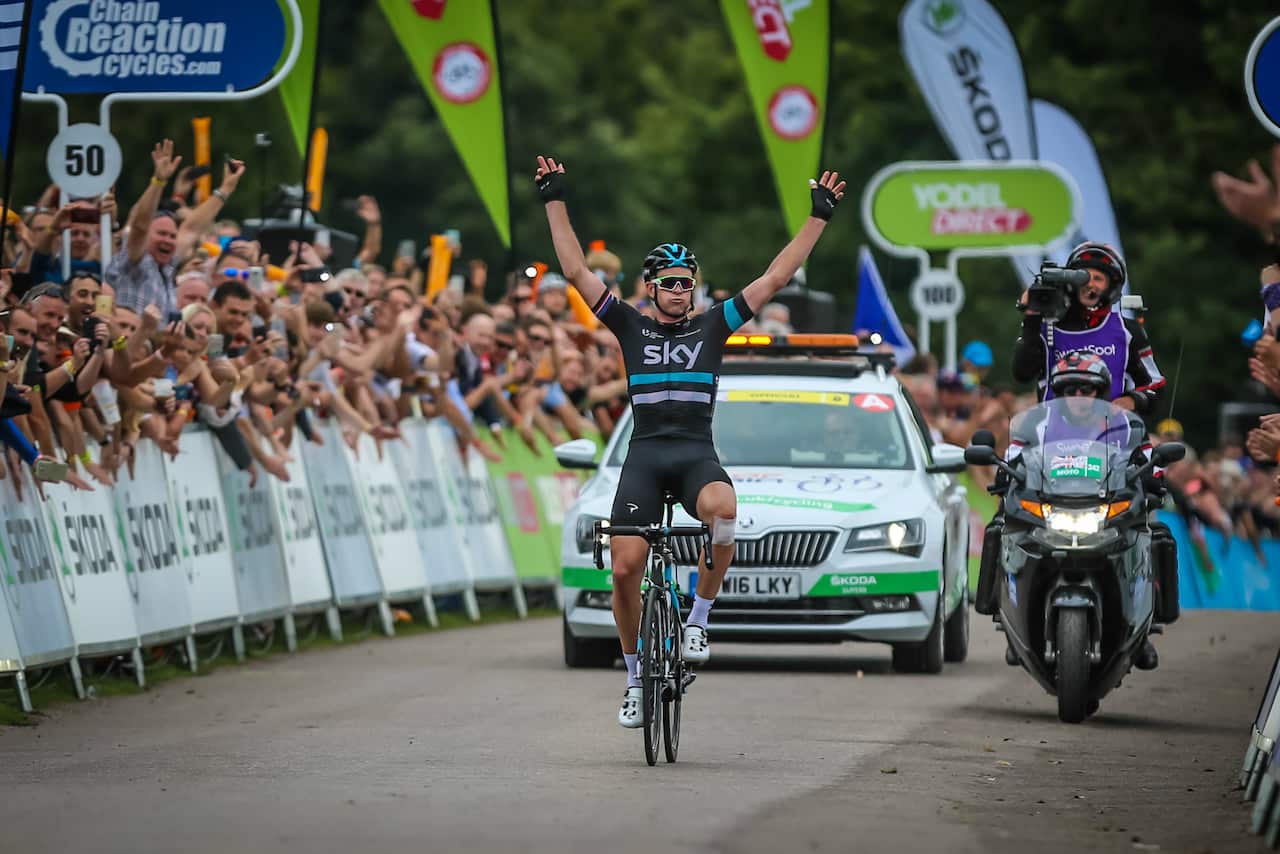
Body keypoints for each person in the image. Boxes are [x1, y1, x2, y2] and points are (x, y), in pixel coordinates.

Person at [534, 153, 845, 728]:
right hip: (646, 458)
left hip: (696, 455)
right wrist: (555, 201)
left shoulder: (714, 324)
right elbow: (577, 272)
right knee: (625, 570)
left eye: (688, 283)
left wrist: (818, 219)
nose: (681, 291)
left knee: (724, 510)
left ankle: (699, 618)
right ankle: (633, 680)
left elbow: (776, 277)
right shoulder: (628, 323)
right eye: (670, 284)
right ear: (651, 288)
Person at [1004, 352, 1161, 671]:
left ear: (1100, 393)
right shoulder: (1035, 423)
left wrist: (1155, 478)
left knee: (1158, 535)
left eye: (1086, 390)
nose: (1077, 397)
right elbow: (1013, 458)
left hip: (1106, 510)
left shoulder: (1125, 424)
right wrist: (1005, 474)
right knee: (1000, 527)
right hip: (1050, 509)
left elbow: (1146, 458)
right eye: (1069, 390)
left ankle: (1145, 628)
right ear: (1058, 394)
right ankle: (1010, 623)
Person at [1012, 242, 1164, 413]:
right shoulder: (1047, 327)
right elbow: (1022, 374)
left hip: (1110, 434)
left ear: (1111, 287)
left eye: (1098, 279)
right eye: (1083, 277)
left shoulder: (1127, 331)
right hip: (1054, 433)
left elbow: (1156, 387)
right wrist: (1032, 318)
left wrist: (1132, 400)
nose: (1090, 284)